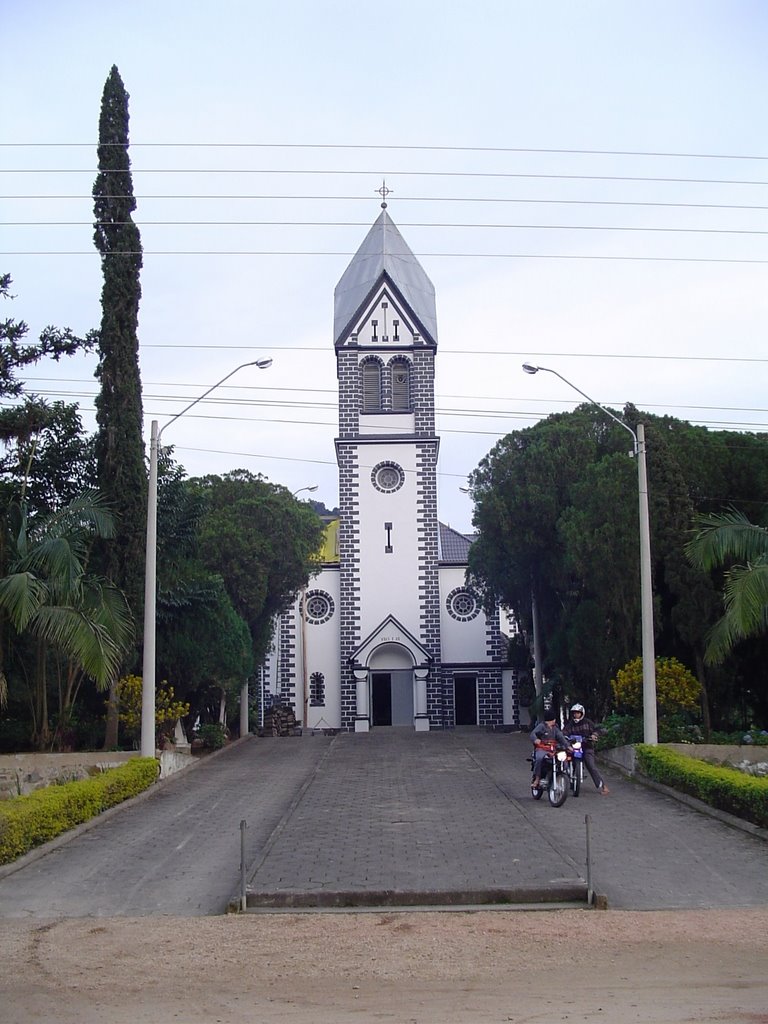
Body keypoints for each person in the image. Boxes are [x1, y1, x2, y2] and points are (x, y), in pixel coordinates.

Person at [562, 703, 610, 795]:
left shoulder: (588, 722)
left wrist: (594, 735)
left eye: (578, 713)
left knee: (591, 766)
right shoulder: (570, 724)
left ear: (582, 713)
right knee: (564, 760)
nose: (576, 715)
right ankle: (565, 780)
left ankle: (604, 786)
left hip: (587, 747)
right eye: (575, 713)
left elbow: (599, 729)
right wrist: (565, 737)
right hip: (573, 748)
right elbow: (564, 732)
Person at [529, 709, 571, 796]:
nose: (552, 721)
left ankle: (565, 774)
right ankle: (537, 779)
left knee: (563, 758)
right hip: (542, 748)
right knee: (539, 758)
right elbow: (533, 734)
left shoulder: (555, 728)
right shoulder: (541, 726)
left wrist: (568, 746)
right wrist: (536, 739)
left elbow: (561, 738)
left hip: (553, 749)